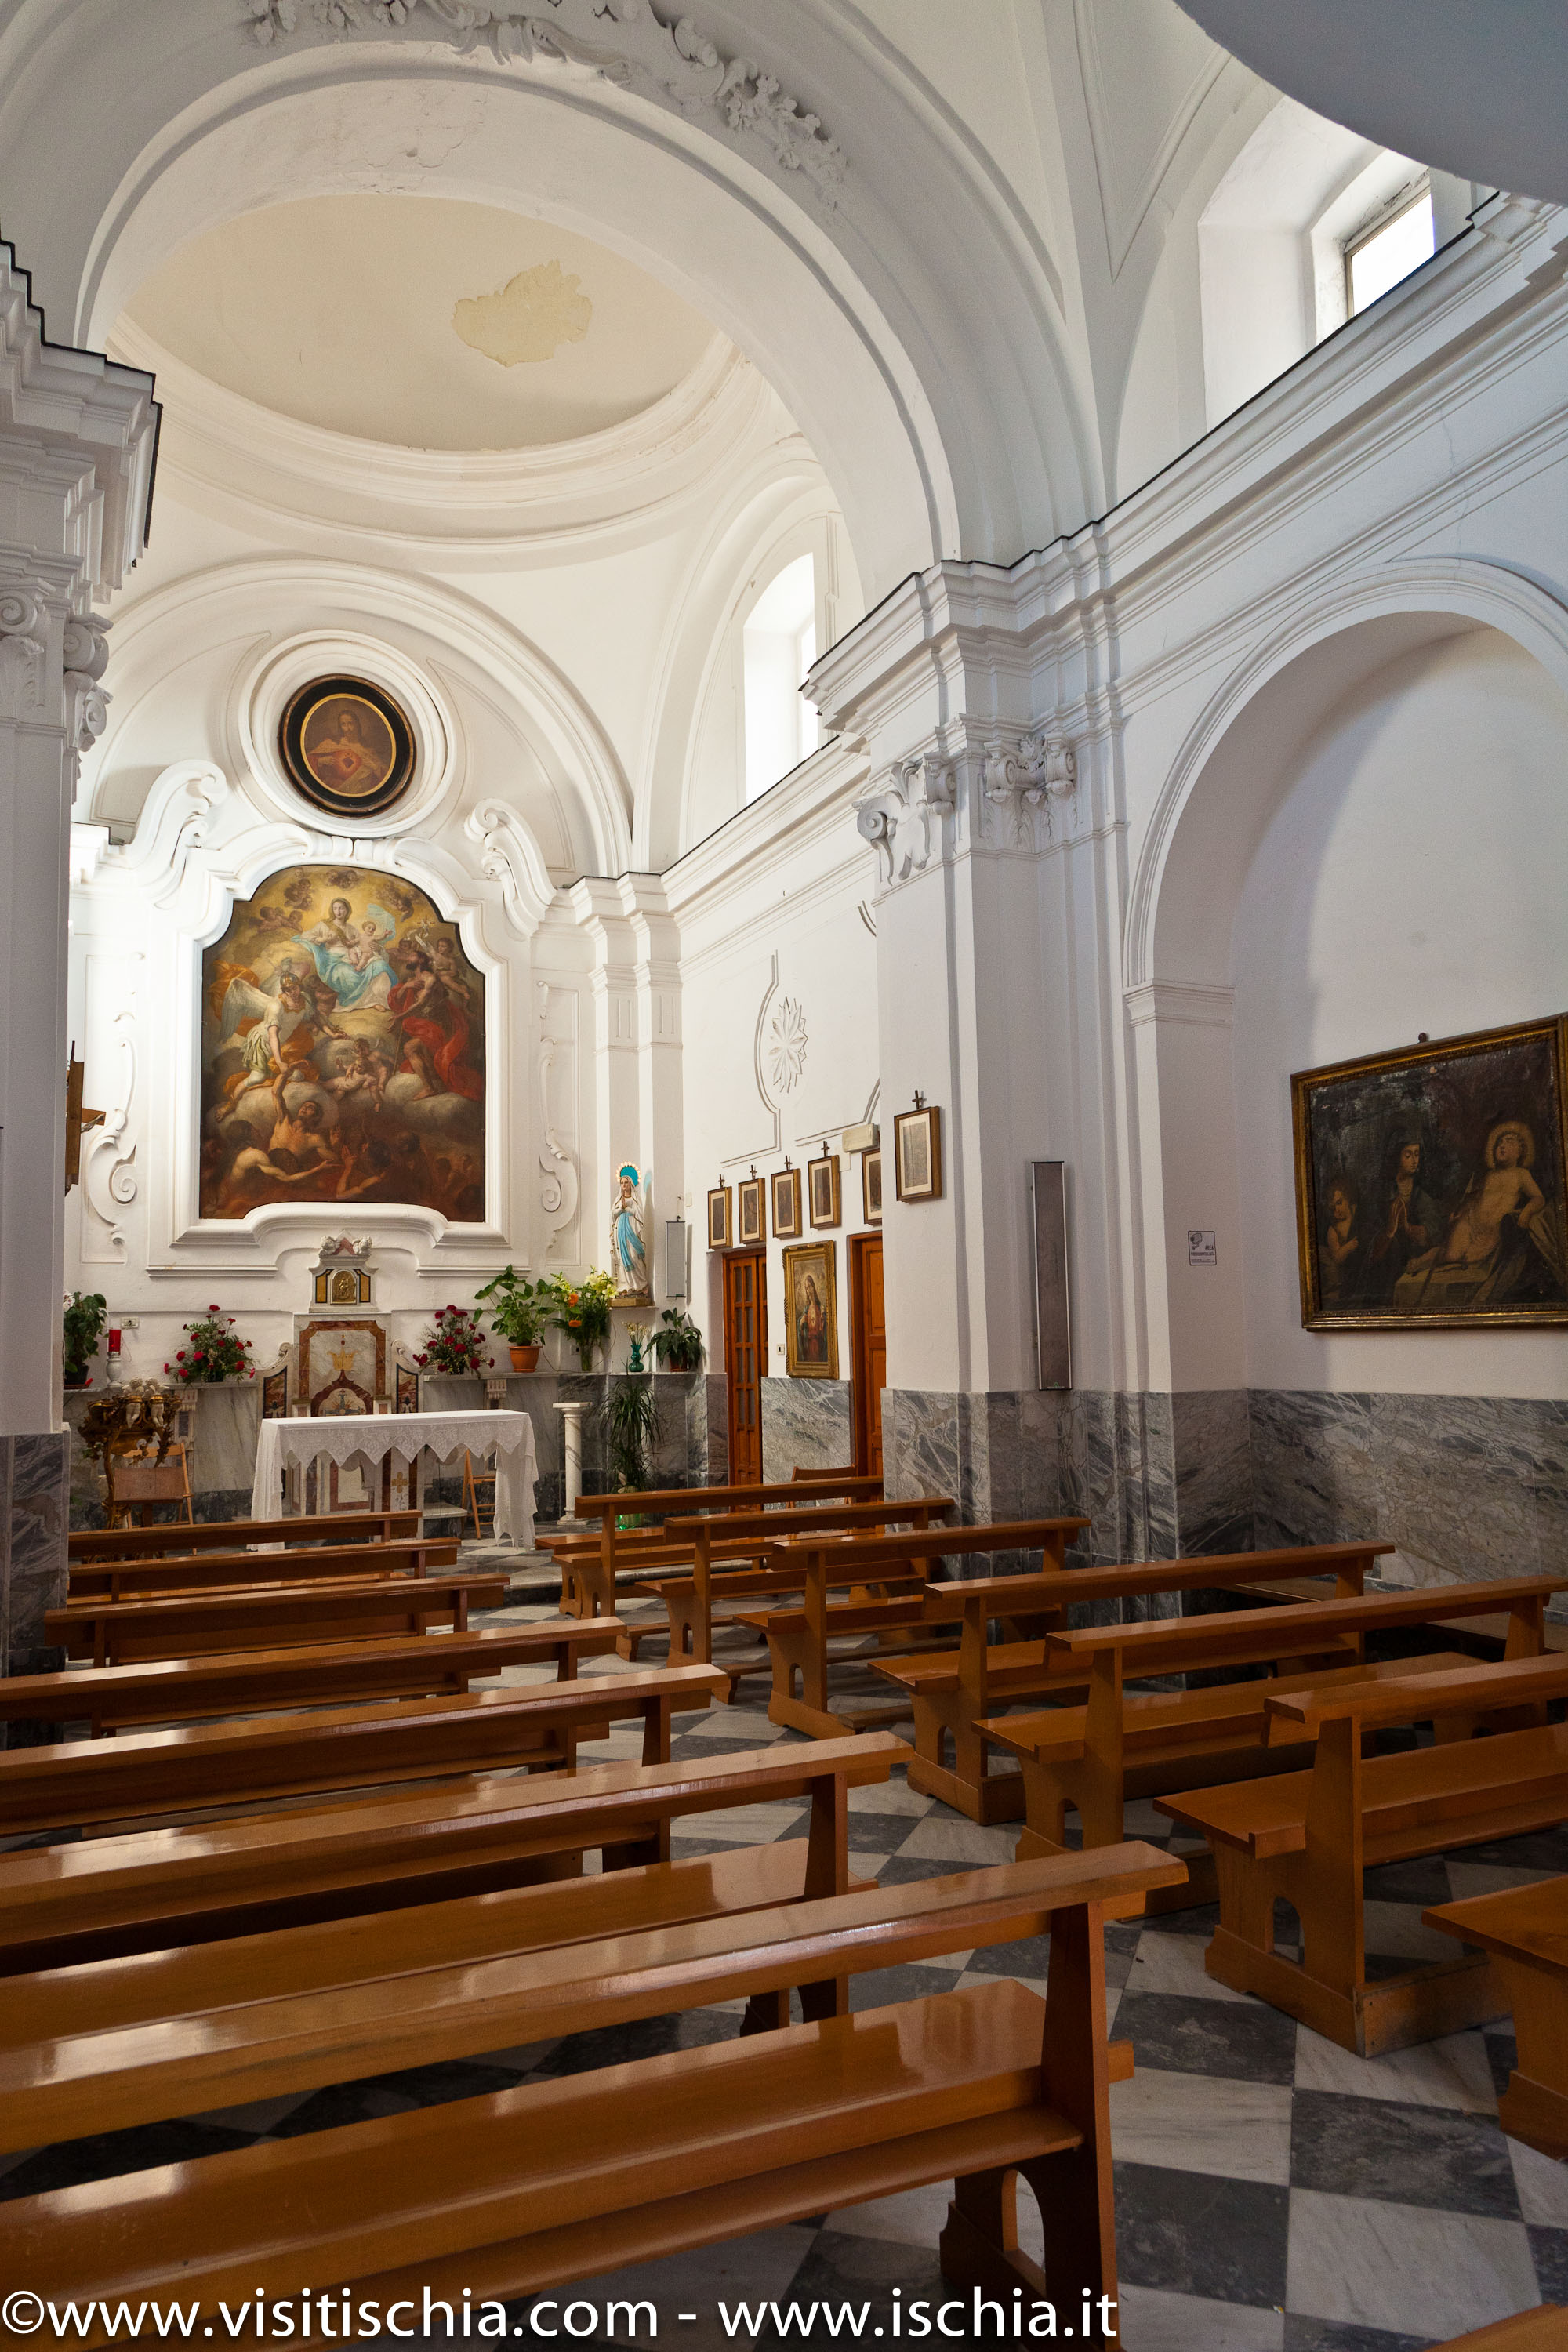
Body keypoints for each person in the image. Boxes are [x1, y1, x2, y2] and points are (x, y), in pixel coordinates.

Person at [388, 943, 482, 1102]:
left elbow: (420, 1004)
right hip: (425, 1026)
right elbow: (397, 999)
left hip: (441, 1026)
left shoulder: (430, 979)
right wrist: (406, 987)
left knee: (410, 1048)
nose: (408, 958)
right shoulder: (412, 980)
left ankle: (429, 1088)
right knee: (419, 1052)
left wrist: (399, 1017)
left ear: (421, 960)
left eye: (412, 956)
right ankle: (434, 1078)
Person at [1364, 1131, 1441, 1301]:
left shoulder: (1422, 1196)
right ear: (1397, 1157)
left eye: (1417, 1154)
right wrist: (1390, 1232)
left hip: (1414, 1263)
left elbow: (1432, 1236)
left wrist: (1407, 1227)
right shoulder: (1381, 1193)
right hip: (1384, 1267)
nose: (1414, 1160)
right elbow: (1369, 1243)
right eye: (1408, 1155)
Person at [307, 707, 390, 797]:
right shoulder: (331, 744)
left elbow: (386, 778)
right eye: (343, 724)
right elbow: (307, 762)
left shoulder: (368, 751)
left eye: (350, 723)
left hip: (358, 794)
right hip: (331, 792)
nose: (347, 729)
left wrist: (375, 767)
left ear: (357, 725)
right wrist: (320, 761)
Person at [1319, 1176, 1362, 1303]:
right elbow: (1337, 1258)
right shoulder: (1333, 1230)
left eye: (1339, 1203)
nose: (1337, 1209)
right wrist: (1347, 1248)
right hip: (1346, 1270)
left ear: (1348, 1199)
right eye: (1333, 1207)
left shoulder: (1357, 1214)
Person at [610, 1164, 649, 1297]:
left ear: (630, 1184)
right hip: (621, 1229)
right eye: (622, 1183)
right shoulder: (618, 1199)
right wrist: (621, 1208)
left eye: (626, 1182)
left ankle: (641, 1284)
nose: (624, 1185)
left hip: (632, 1227)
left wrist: (627, 1208)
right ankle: (628, 1286)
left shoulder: (635, 1198)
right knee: (624, 1257)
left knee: (634, 1256)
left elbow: (639, 1214)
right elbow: (613, 1214)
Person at [797, 1272, 826, 1363]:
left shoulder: (820, 1308)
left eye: (809, 1286)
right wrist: (801, 1324)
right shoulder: (806, 1310)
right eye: (806, 1288)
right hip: (808, 1348)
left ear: (813, 1287)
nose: (808, 1290)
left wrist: (823, 1319)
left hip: (818, 1347)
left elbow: (823, 1333)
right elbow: (802, 1333)